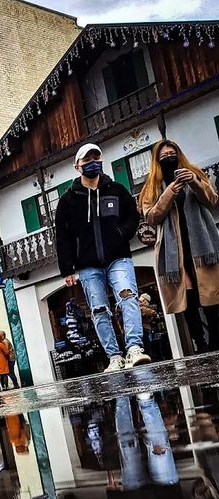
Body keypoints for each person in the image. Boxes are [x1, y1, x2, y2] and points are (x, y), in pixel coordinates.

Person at [55, 142, 150, 372]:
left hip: (118, 257)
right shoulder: (68, 200)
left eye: (96, 158)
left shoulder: (116, 190)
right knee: (98, 309)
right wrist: (67, 269)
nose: (92, 163)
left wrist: (121, 234)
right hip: (87, 265)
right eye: (87, 160)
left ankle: (135, 348)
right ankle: (114, 357)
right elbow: (62, 235)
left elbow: (132, 215)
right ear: (77, 166)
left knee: (128, 297)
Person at [139, 139, 219, 353]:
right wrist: (170, 191)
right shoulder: (152, 186)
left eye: (172, 153)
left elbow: (212, 200)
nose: (169, 158)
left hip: (202, 245)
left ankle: (215, 340)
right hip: (174, 250)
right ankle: (200, 343)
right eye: (164, 156)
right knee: (189, 297)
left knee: (211, 294)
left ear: (179, 154)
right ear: (157, 160)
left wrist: (194, 181)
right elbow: (151, 217)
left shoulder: (195, 173)